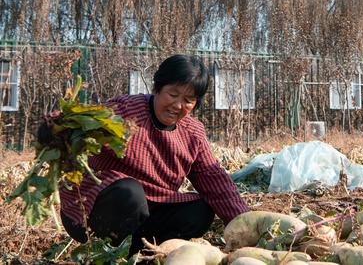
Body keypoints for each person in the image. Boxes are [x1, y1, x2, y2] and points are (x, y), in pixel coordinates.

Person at [41, 54, 249, 253]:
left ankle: (142, 255)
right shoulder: (125, 113)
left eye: (188, 100)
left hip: (147, 215)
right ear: (157, 87)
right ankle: (105, 254)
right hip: (93, 208)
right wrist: (53, 127)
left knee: (200, 210)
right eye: (173, 94)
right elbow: (77, 120)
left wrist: (248, 224)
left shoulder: (193, 134)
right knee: (130, 193)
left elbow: (215, 182)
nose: (178, 105)